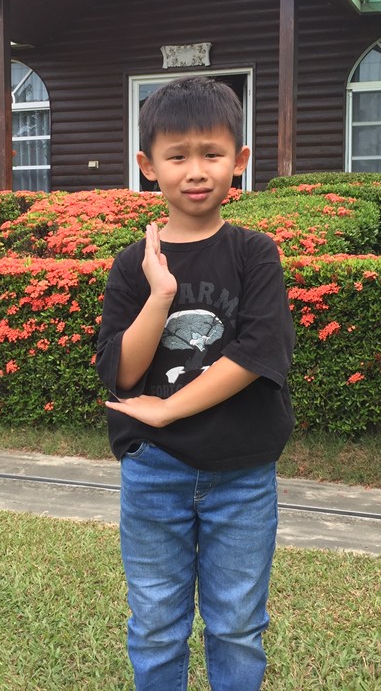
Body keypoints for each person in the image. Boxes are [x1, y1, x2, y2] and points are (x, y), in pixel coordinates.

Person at [95, 75, 296, 691]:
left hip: (242, 472)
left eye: (212, 154)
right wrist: (160, 294)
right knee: (157, 623)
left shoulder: (254, 253)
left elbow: (259, 353)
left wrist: (169, 408)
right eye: (177, 156)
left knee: (237, 623)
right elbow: (122, 371)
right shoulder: (134, 265)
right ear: (148, 166)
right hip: (155, 472)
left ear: (239, 160)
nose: (196, 171)